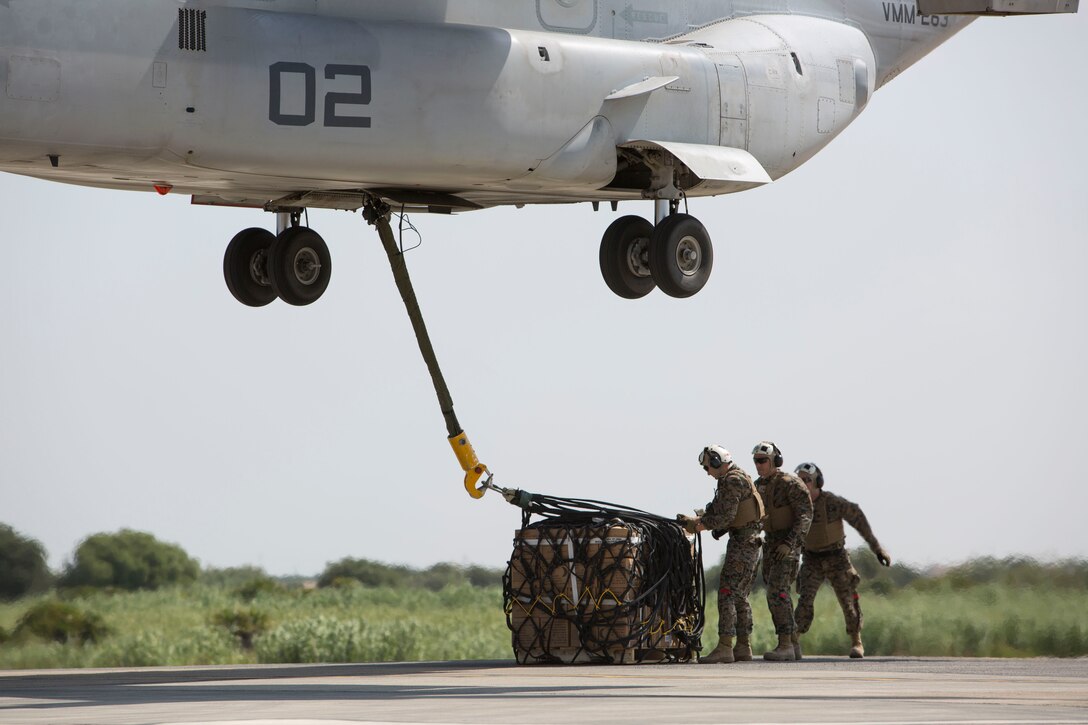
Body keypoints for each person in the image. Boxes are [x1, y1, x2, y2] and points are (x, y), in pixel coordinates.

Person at [793, 462, 891, 659]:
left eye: (807, 480)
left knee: (848, 600)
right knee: (804, 601)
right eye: (799, 481)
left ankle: (856, 640)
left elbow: (858, 519)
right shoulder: (795, 506)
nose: (803, 484)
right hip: (811, 559)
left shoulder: (832, 503)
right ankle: (794, 640)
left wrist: (877, 548)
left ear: (817, 482)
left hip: (836, 557)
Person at [677, 445, 765, 664]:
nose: (707, 471)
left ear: (717, 462)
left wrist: (697, 526)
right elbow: (718, 509)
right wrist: (698, 518)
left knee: (726, 591)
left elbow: (725, 517)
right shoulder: (734, 477)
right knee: (739, 595)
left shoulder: (732, 481)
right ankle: (743, 646)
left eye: (708, 466)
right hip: (748, 541)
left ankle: (726, 647)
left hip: (743, 543)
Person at [752, 441, 812, 661]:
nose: (759, 465)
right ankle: (793, 644)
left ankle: (785, 643)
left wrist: (791, 543)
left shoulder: (790, 484)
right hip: (770, 545)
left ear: (775, 461)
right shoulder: (757, 486)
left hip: (788, 545)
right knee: (777, 591)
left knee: (777, 591)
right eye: (756, 461)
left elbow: (805, 516)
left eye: (763, 461)